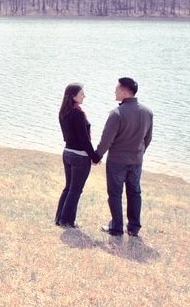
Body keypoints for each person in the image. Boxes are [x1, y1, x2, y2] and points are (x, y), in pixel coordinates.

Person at [95, 77, 153, 237]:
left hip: (117, 161)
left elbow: (106, 139)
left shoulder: (116, 113)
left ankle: (117, 227)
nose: (115, 91)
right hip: (136, 161)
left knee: (115, 194)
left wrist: (97, 155)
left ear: (125, 92)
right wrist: (139, 152)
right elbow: (147, 139)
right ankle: (133, 228)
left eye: (117, 89)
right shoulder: (147, 112)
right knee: (134, 193)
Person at [55, 83, 101, 229]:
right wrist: (95, 156)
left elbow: (67, 136)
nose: (84, 96)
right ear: (73, 96)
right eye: (82, 93)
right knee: (75, 190)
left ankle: (59, 218)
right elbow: (84, 140)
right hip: (79, 157)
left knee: (68, 187)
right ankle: (66, 221)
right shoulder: (78, 114)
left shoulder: (63, 112)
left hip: (67, 153)